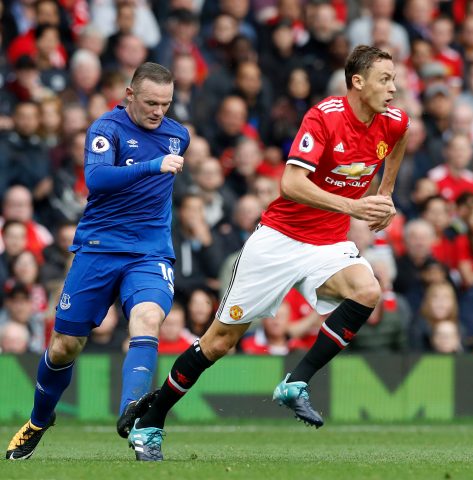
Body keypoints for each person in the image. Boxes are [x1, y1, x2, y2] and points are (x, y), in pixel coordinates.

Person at [128, 45, 409, 461]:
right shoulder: (325, 117)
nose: (394, 87)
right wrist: (355, 206)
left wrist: (384, 194)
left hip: (329, 242)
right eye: (385, 79)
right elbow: (291, 184)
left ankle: (297, 382)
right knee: (219, 342)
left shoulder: (393, 120)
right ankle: (151, 420)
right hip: (280, 239)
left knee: (367, 290)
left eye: (394, 78)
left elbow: (398, 141)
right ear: (358, 82)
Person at [6, 62, 190, 460]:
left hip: (150, 252)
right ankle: (39, 420)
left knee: (147, 319)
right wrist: (152, 166)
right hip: (99, 248)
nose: (159, 112)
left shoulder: (179, 136)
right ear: (129, 96)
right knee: (64, 347)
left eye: (166, 104)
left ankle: (135, 414)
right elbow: (97, 179)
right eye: (151, 103)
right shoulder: (106, 130)